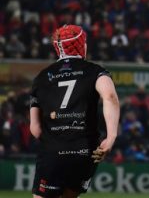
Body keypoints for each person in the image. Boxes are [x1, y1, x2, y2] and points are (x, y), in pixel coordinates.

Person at [29, 24, 121, 198]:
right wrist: (111, 137)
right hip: (85, 151)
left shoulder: (41, 78)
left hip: (53, 151)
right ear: (82, 45)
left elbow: (35, 129)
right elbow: (110, 97)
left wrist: (55, 143)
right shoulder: (97, 72)